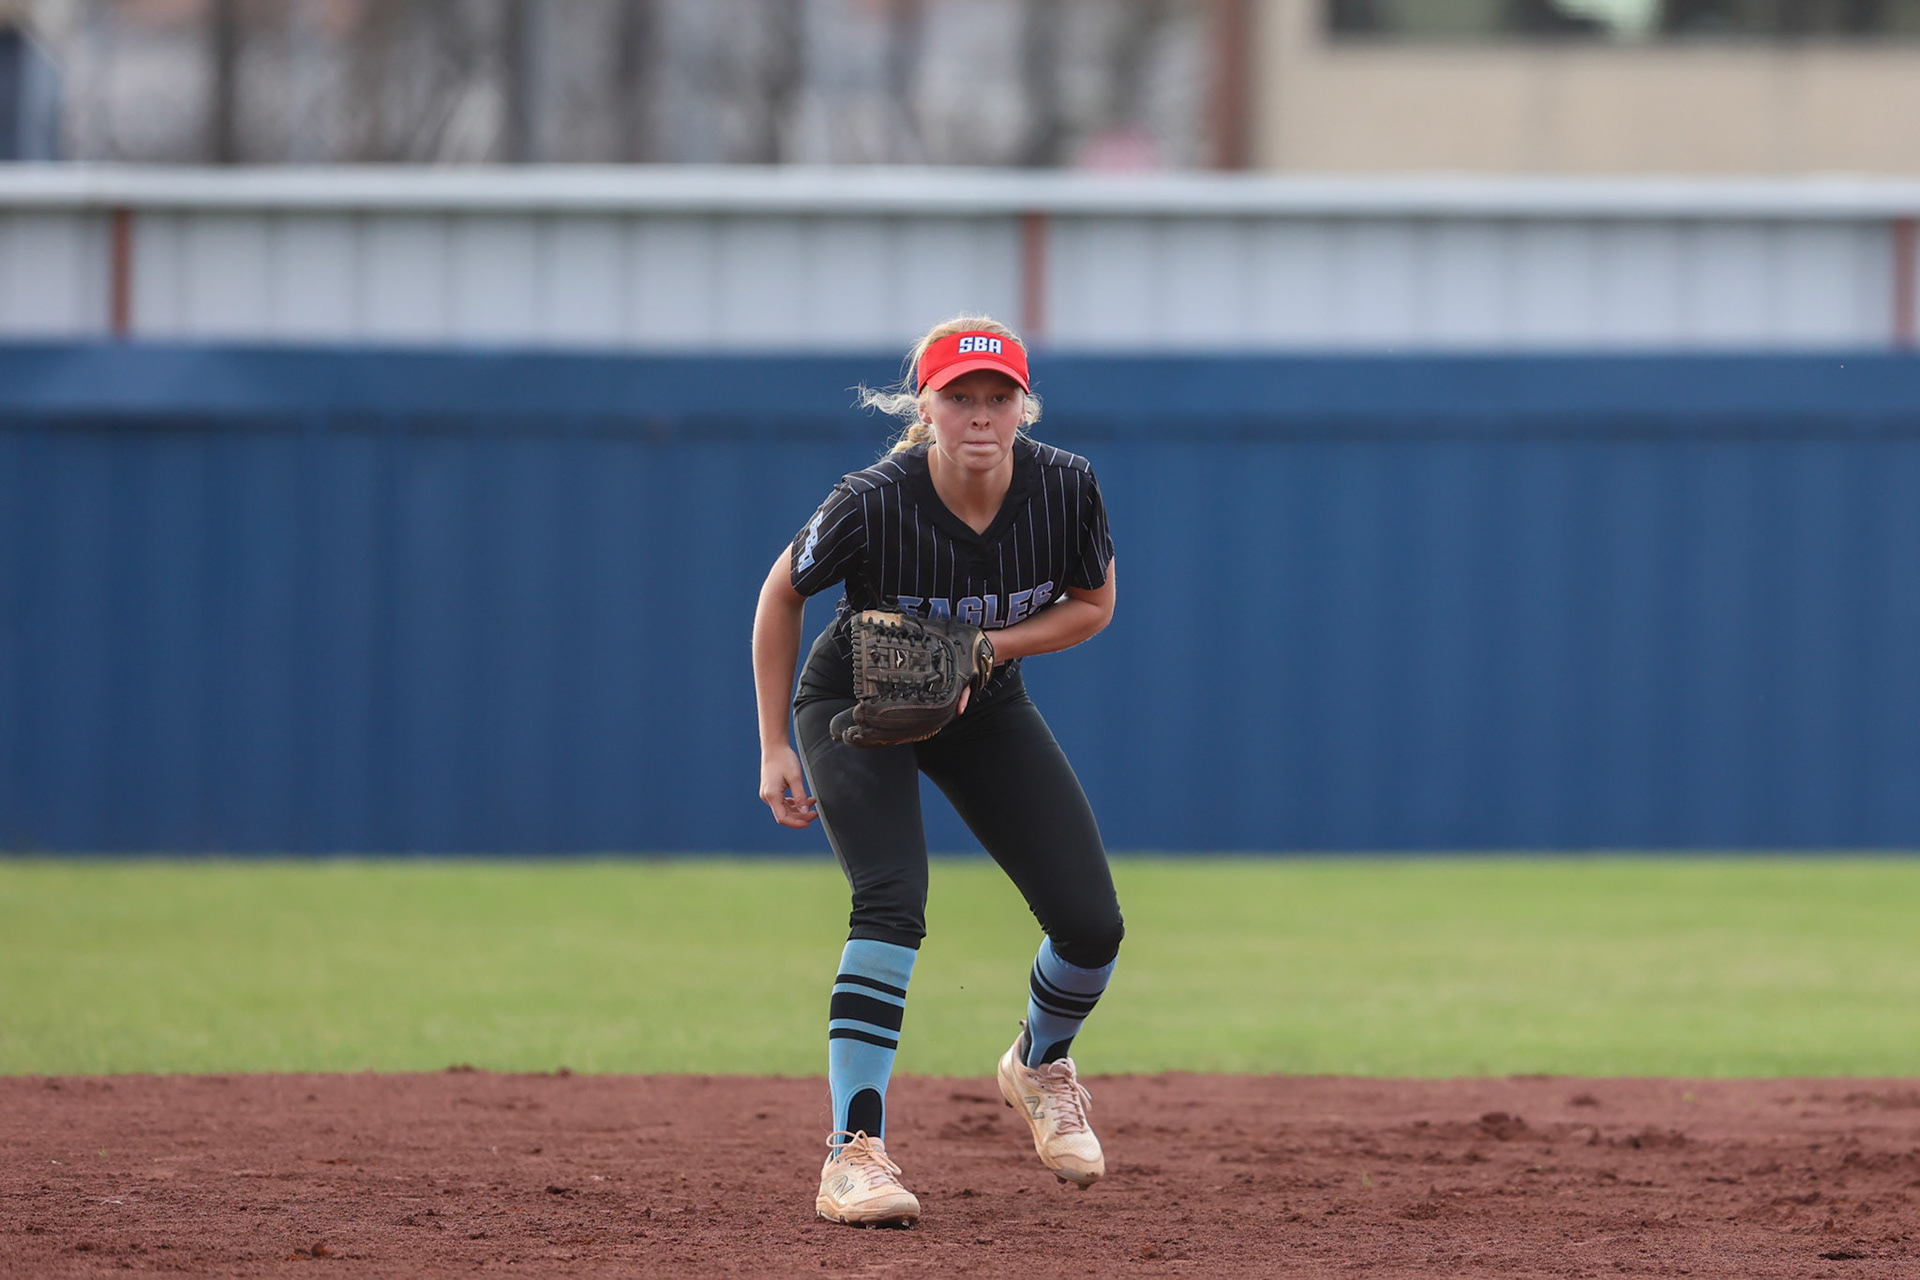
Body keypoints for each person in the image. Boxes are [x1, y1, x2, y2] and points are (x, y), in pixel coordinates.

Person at [751, 315, 1124, 1228]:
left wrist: (985, 650)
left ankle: (1038, 1065)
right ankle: (855, 1152)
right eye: (960, 397)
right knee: (892, 902)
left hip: (981, 701)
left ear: (1023, 404)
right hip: (856, 702)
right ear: (926, 405)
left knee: (1091, 926)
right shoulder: (871, 500)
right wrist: (774, 746)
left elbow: (1094, 605)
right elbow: (779, 596)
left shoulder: (1066, 487)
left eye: (999, 396)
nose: (981, 415)